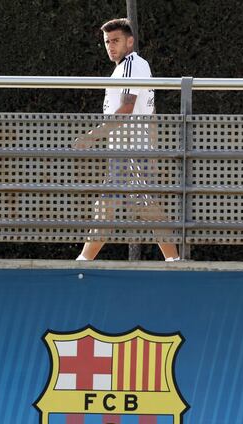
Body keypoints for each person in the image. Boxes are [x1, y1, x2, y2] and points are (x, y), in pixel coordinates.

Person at [74, 18, 180, 261]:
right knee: (106, 209)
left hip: (132, 151)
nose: (111, 46)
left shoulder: (133, 64)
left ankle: (175, 262)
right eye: (107, 42)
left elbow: (128, 108)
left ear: (129, 42)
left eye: (116, 41)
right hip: (126, 152)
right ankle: (84, 261)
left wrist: (91, 137)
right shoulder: (123, 68)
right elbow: (151, 113)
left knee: (146, 208)